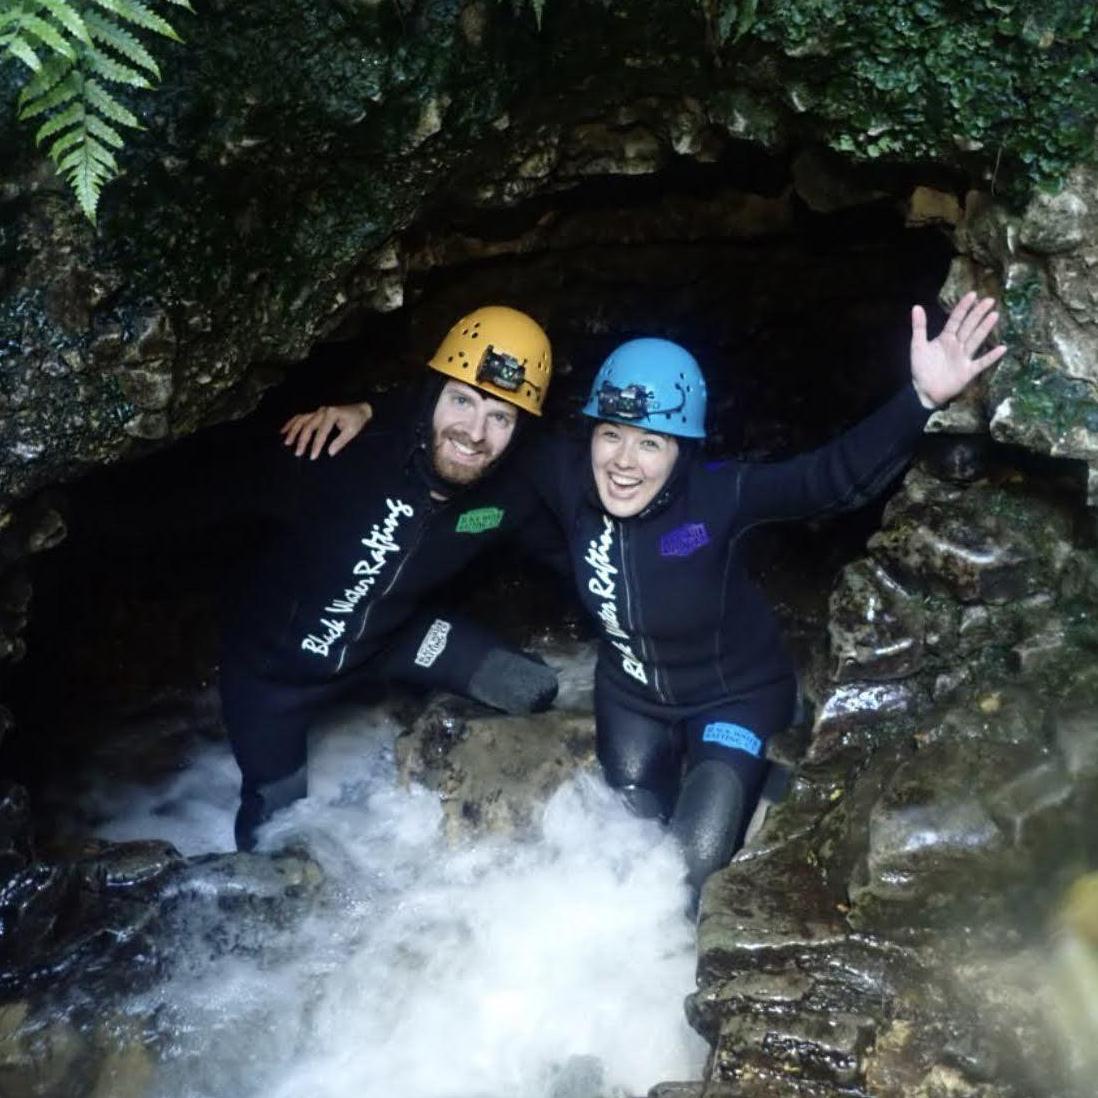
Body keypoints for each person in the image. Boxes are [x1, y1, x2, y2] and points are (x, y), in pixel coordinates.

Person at [289, 292, 1005, 902]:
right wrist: (367, 412)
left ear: (682, 453)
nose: (624, 463)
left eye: (651, 444)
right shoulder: (562, 474)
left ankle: (760, 784)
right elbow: (471, 429)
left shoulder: (719, 497)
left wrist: (920, 397)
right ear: (592, 434)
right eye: (612, 436)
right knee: (621, 849)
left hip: (733, 698)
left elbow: (832, 479)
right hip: (630, 696)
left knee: (688, 870)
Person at [221, 305, 566, 851]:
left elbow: (590, 560)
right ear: (433, 395)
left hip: (392, 641)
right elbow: (198, 495)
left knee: (536, 688)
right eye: (462, 400)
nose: (474, 432)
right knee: (275, 842)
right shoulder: (337, 449)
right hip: (273, 682)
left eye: (501, 416)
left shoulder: (511, 496)